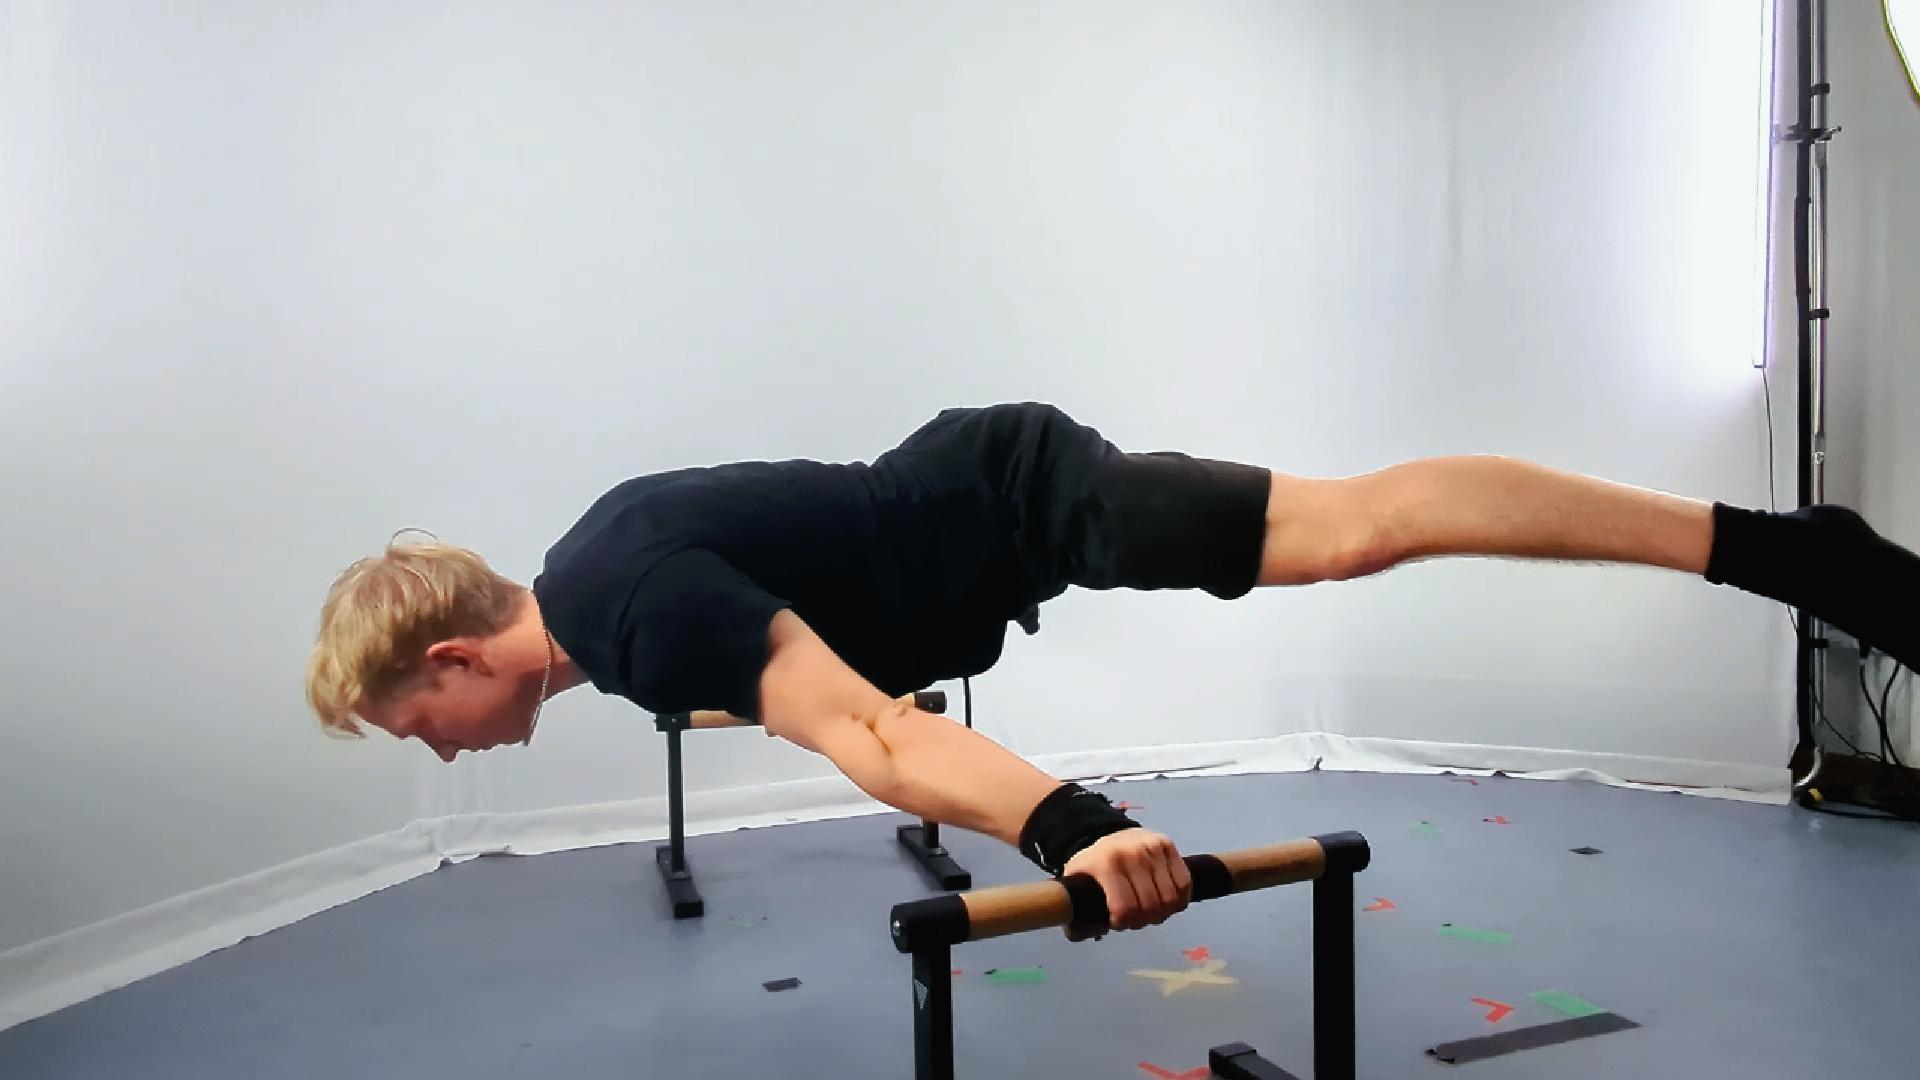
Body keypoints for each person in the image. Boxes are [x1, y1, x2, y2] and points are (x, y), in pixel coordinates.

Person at [304, 401, 1920, 936]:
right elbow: (850, 686)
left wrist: (1073, 826)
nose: (437, 752)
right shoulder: (600, 602)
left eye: (415, 722)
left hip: (1012, 495)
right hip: (977, 516)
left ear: (454, 656)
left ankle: (1795, 553)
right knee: (1352, 530)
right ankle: (1795, 553)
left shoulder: (631, 611)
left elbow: (869, 735)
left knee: (1355, 531)